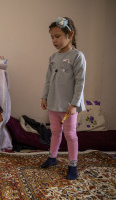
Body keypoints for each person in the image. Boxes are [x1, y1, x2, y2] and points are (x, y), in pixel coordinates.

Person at [41, 17, 86, 180]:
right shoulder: (53, 57)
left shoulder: (77, 56)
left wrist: (74, 104)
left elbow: (80, 82)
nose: (54, 40)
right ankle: (52, 157)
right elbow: (48, 79)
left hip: (68, 106)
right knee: (54, 132)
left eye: (57, 36)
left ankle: (72, 165)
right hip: (54, 104)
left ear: (70, 34)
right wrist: (44, 96)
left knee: (70, 135)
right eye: (52, 37)